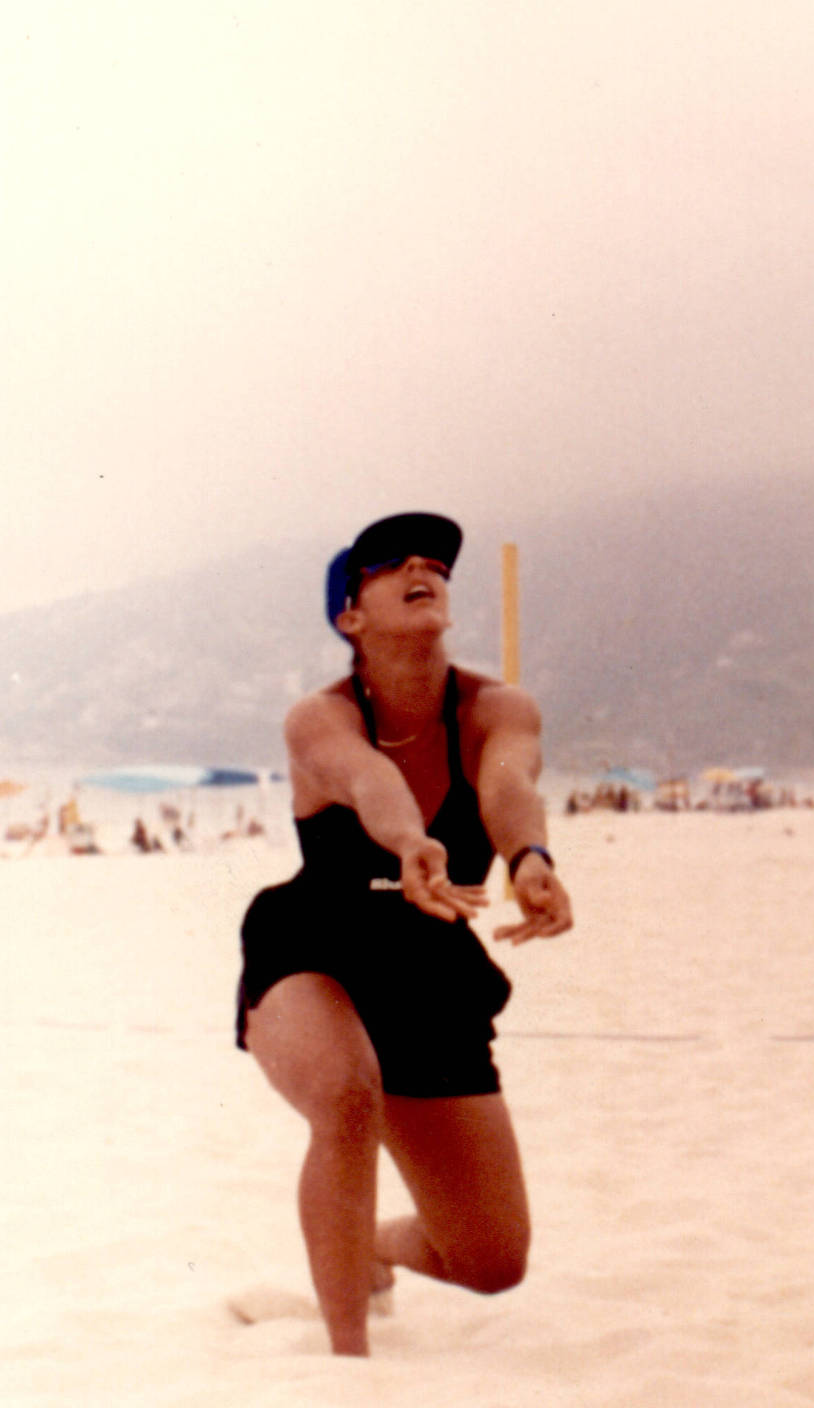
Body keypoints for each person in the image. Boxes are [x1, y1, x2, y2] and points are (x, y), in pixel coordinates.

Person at [234, 511, 574, 1356]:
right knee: (347, 1098)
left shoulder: (499, 707)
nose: (423, 568)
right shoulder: (319, 718)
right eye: (393, 565)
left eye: (435, 563)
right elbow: (368, 775)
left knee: (492, 1261)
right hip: (316, 953)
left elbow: (505, 785)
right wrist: (409, 840)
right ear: (351, 616)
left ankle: (369, 1251)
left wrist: (527, 855)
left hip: (430, 974)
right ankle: (351, 1364)